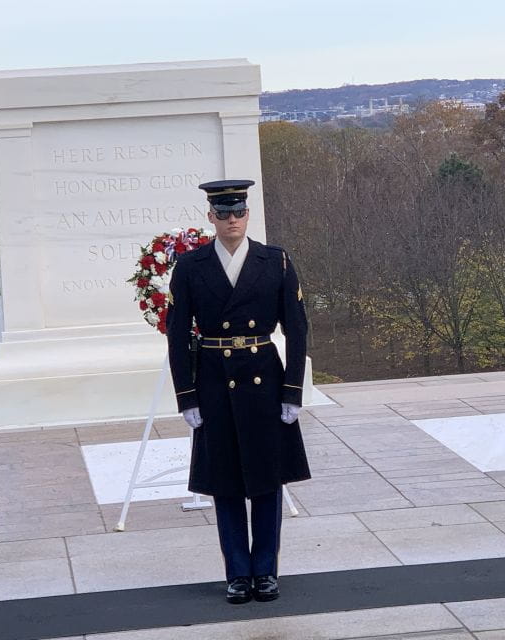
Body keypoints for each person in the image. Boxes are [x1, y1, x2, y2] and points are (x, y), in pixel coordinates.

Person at [166, 179, 311, 604]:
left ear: (248, 215)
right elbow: (177, 336)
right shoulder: (192, 266)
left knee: (267, 481)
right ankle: (237, 573)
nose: (232, 219)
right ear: (210, 217)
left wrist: (292, 391)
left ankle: (265, 571)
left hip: (264, 378)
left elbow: (297, 329)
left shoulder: (276, 261)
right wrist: (187, 396)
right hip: (214, 381)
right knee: (226, 483)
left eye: (239, 212)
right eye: (224, 213)